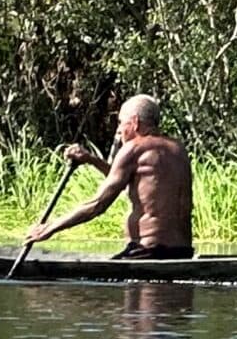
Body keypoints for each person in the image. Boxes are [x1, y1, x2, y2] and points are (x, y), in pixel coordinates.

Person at [23, 94, 195, 259]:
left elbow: (97, 205)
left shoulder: (134, 148)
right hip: (183, 251)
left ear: (134, 122)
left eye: (121, 122)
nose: (119, 130)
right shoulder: (178, 149)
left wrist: (49, 228)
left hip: (148, 251)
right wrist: (91, 160)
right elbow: (129, 179)